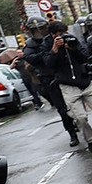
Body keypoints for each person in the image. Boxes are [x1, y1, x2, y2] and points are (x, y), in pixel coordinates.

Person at [43, 21, 92, 153]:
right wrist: (54, 50)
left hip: (85, 81)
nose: (63, 36)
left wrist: (72, 48)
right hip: (68, 85)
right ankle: (90, 140)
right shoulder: (46, 44)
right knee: (80, 117)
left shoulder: (72, 40)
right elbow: (49, 64)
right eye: (60, 34)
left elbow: (85, 56)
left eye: (65, 32)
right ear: (52, 35)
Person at [22, 16, 80, 147]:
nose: (39, 31)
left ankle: (78, 122)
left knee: (75, 102)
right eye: (35, 29)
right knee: (61, 108)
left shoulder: (54, 37)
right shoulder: (31, 44)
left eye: (41, 28)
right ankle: (72, 133)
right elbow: (29, 57)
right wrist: (46, 54)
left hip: (65, 74)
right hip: (49, 78)